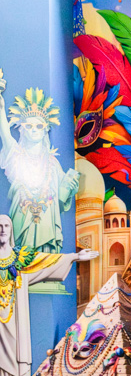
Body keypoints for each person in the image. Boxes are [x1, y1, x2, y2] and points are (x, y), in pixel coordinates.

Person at [0, 214, 99, 376]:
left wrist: (75, 256)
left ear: (11, 230)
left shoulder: (22, 261)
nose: (2, 229)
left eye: (6, 225)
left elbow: (46, 261)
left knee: (16, 375)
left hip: (15, 326)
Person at [0, 78, 79, 254]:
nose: (34, 129)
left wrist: (70, 186)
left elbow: (62, 198)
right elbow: (4, 132)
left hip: (47, 222)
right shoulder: (15, 155)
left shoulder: (52, 163)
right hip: (21, 218)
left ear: (45, 130)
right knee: (22, 260)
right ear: (22, 129)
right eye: (29, 126)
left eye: (38, 125)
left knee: (47, 261)